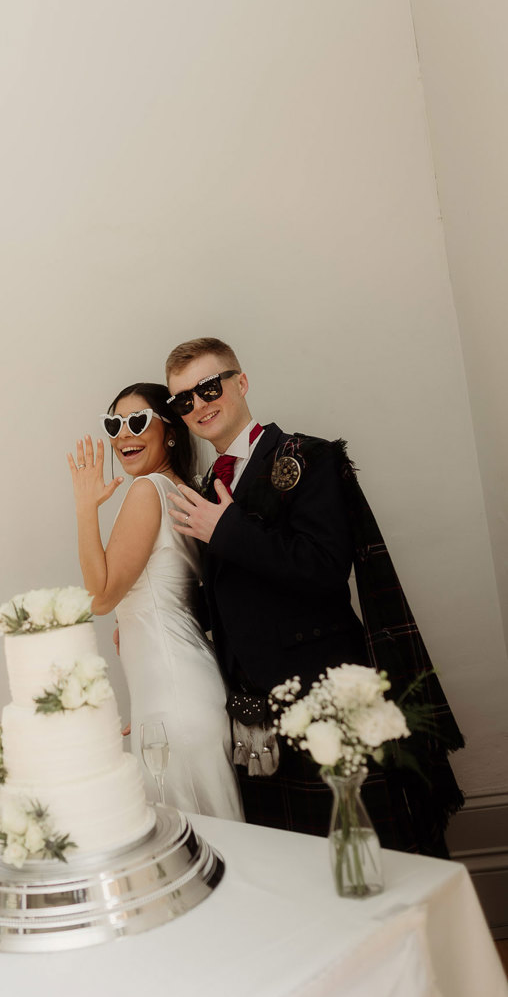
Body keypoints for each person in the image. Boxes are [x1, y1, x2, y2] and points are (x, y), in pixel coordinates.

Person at [163, 337, 464, 856]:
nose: (199, 405)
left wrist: (228, 530)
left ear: (241, 382)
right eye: (184, 399)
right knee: (300, 871)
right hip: (256, 711)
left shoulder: (308, 456)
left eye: (209, 387)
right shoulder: (207, 484)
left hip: (326, 693)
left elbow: (325, 569)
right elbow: (227, 603)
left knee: (374, 856)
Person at [67, 381, 243, 821]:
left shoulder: (148, 489)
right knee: (208, 846)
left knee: (193, 852)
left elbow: (101, 597)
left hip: (175, 697)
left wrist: (85, 507)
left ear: (168, 431)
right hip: (177, 692)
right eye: (114, 424)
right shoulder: (182, 491)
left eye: (137, 421)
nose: (123, 434)